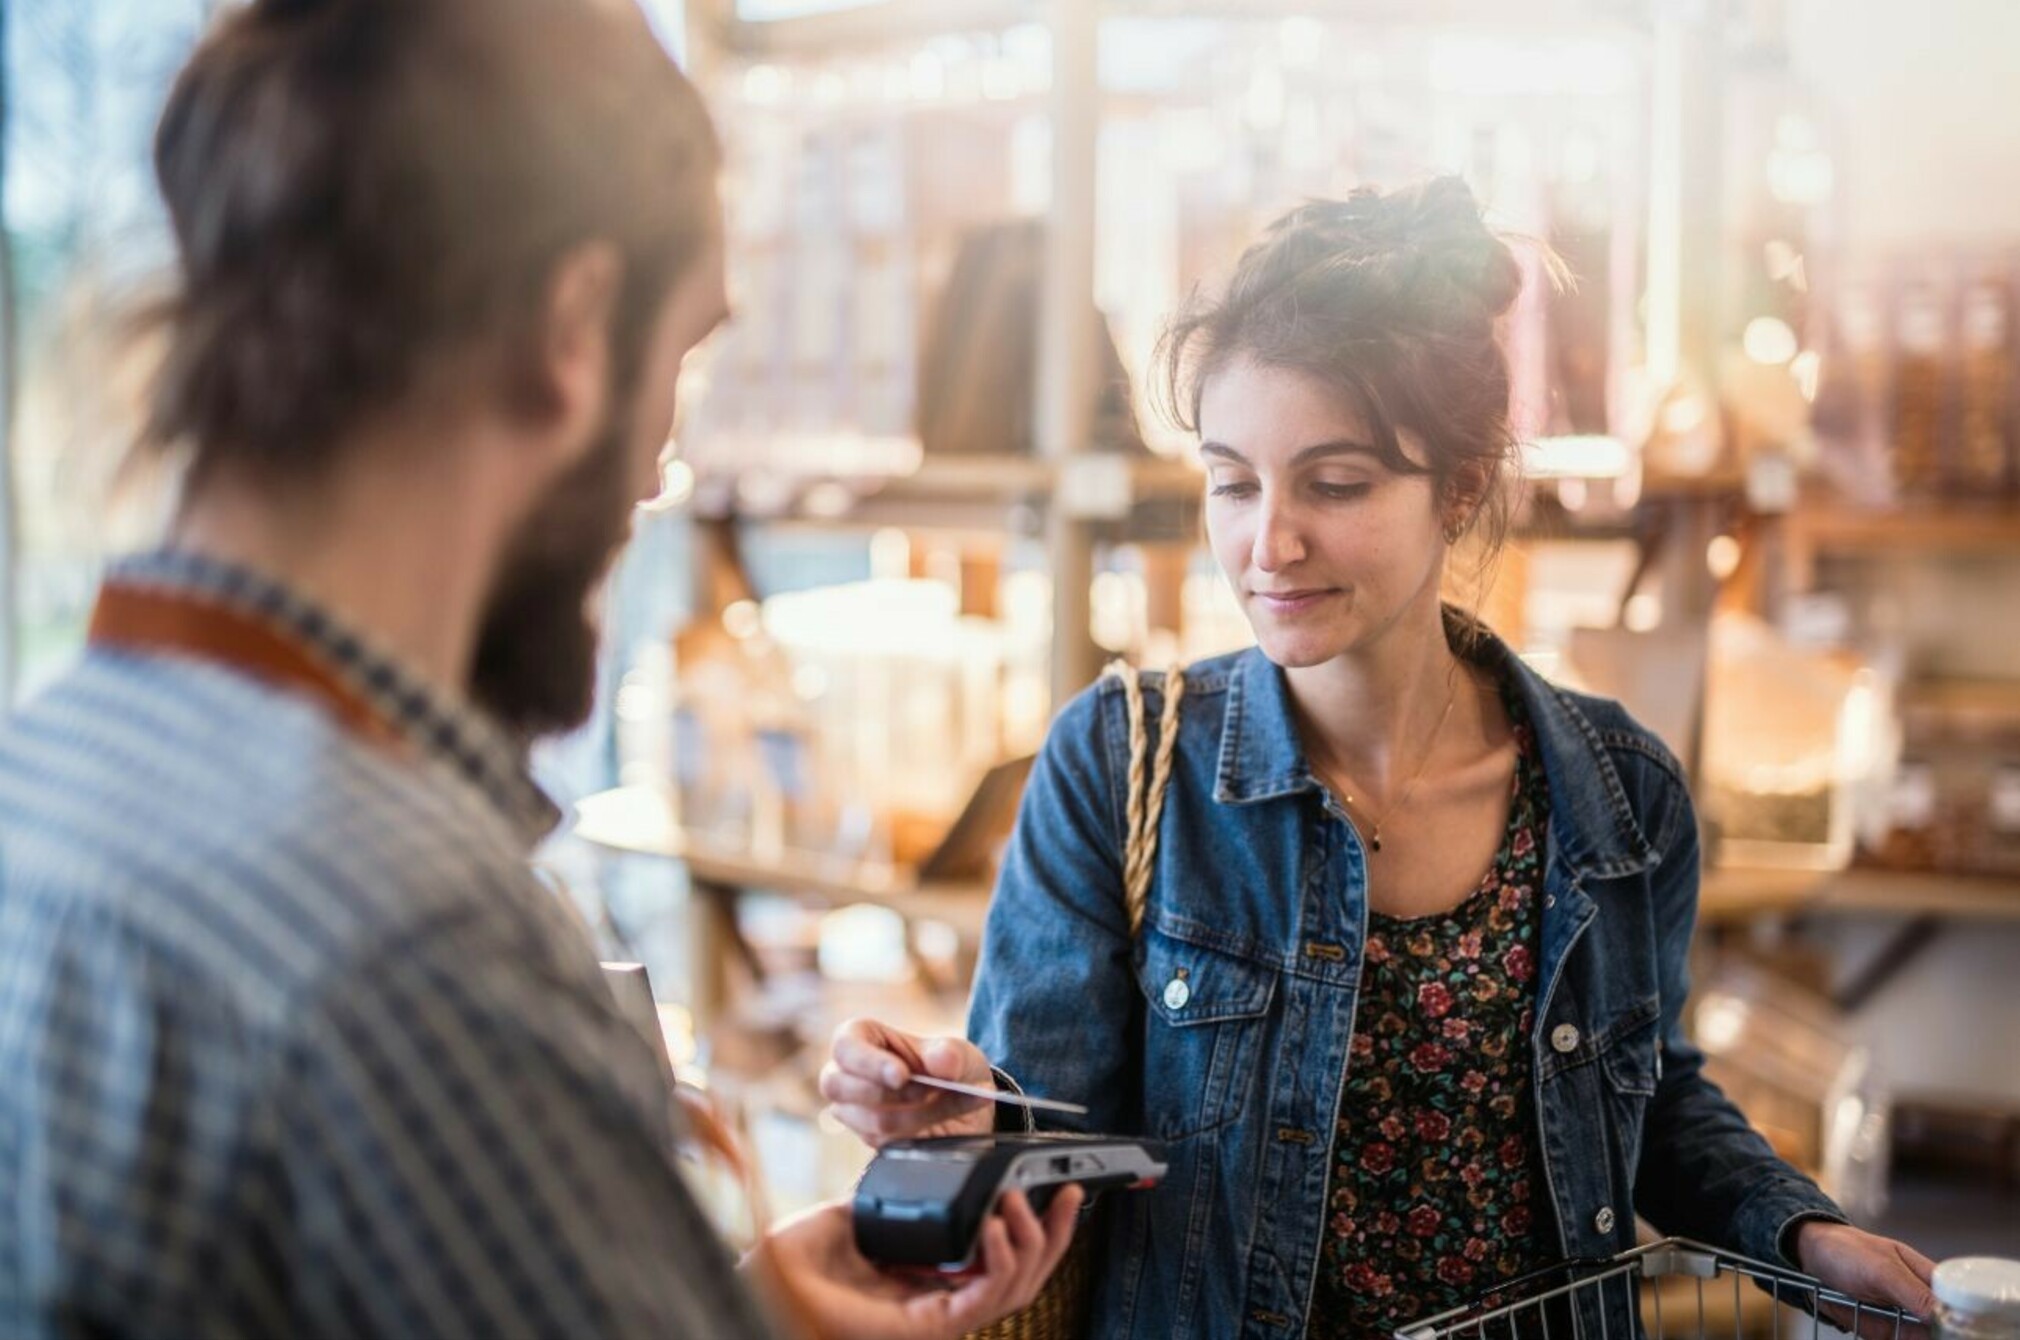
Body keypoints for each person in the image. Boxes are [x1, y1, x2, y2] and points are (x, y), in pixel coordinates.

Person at [0, 1, 1081, 1336]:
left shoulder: (47, 777)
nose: (657, 470)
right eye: (680, 353)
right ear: (573, 332)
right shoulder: (419, 947)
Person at [822, 179, 1937, 1338]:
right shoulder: (1119, 762)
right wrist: (960, 1111)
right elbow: (1057, 1131)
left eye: (1335, 483)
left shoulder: (1618, 791)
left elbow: (1646, 1101)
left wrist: (1802, 1232)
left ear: (1457, 487)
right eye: (1232, 482)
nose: (1270, 542)